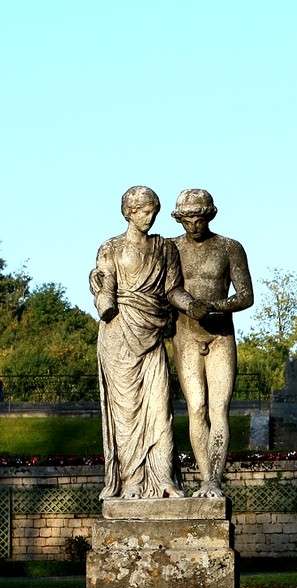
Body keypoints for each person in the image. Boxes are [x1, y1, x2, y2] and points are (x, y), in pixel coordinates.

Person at [90, 186, 207, 499]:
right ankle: (131, 483)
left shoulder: (165, 248)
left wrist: (191, 304)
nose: (150, 217)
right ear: (129, 212)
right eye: (144, 211)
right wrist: (101, 290)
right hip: (118, 335)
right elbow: (106, 294)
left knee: (160, 409)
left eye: (154, 211)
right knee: (125, 413)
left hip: (152, 334)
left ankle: (164, 480)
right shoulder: (110, 248)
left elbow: (172, 290)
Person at [171, 189, 254, 498]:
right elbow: (165, 289)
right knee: (196, 407)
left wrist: (217, 306)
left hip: (220, 335)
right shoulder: (171, 248)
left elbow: (246, 296)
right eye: (187, 219)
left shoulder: (229, 247)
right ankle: (204, 476)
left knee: (219, 408)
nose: (194, 225)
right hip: (186, 334)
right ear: (179, 218)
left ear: (210, 215)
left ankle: (213, 481)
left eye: (200, 218)